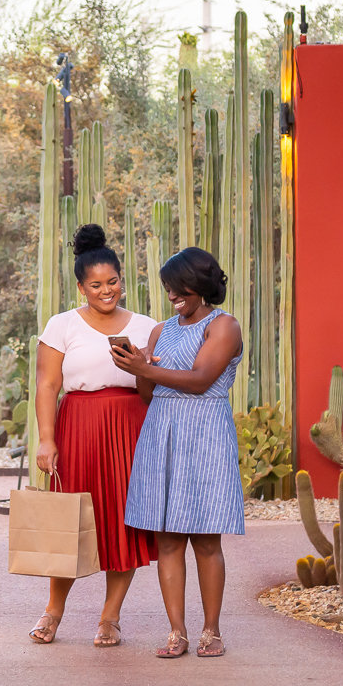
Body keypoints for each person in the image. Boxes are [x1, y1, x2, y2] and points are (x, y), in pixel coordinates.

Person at [113, 246, 248, 659]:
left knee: (206, 540)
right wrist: (138, 366)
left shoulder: (223, 326)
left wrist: (143, 368)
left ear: (201, 284)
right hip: (162, 434)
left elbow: (201, 380)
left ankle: (212, 630)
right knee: (167, 540)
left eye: (179, 287)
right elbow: (149, 392)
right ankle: (178, 632)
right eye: (168, 289)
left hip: (205, 434)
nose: (173, 295)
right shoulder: (161, 330)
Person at [29, 225, 159, 647]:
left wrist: (143, 365)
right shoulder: (61, 325)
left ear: (123, 279)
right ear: (82, 287)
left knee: (125, 522)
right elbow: (47, 386)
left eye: (114, 282)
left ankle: (110, 616)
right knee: (71, 521)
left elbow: (153, 388)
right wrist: (47, 440)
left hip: (131, 428)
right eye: (96, 285)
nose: (107, 292)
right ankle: (53, 611)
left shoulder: (147, 326)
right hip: (79, 426)